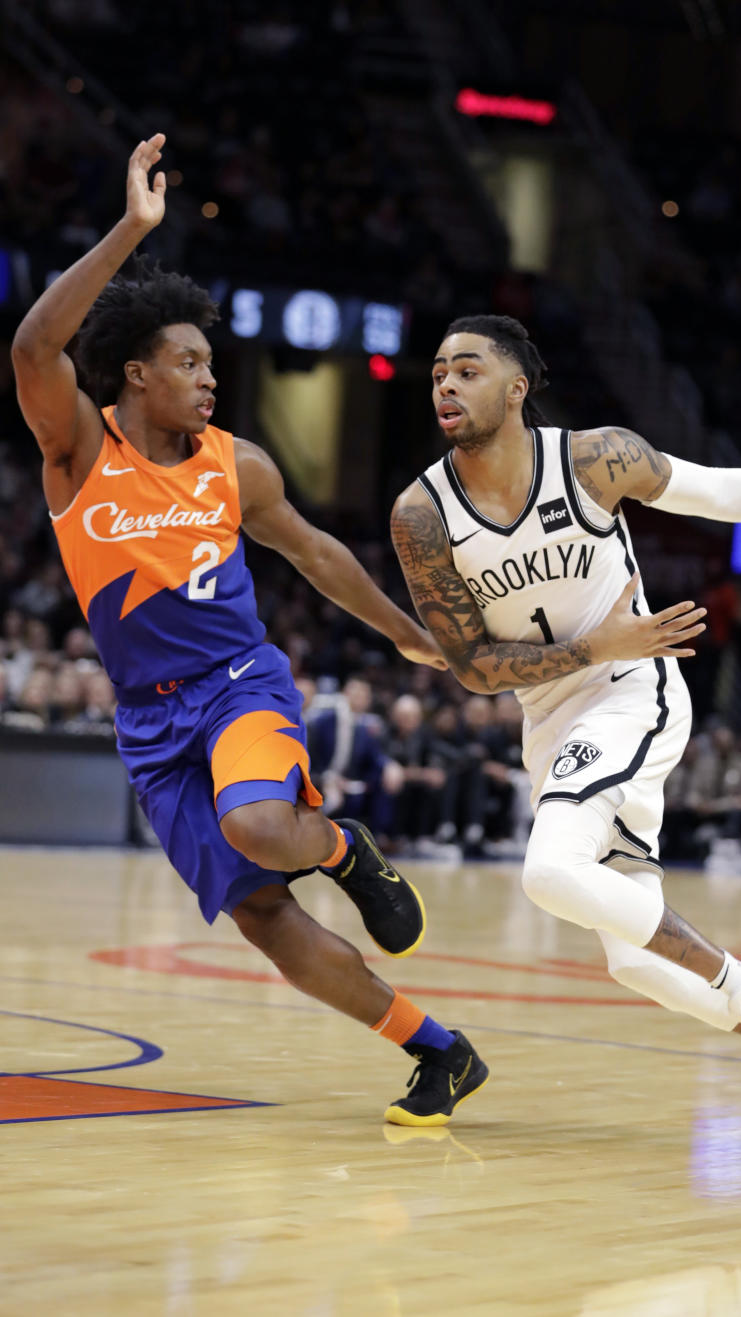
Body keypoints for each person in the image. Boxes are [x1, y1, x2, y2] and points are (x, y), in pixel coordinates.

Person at [11, 135, 488, 1129]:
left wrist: (407, 635)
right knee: (266, 920)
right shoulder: (79, 452)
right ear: (135, 374)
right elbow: (31, 348)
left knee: (262, 824)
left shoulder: (237, 465)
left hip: (239, 685)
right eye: (188, 362)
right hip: (150, 727)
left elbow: (316, 554)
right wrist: (132, 231)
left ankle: (347, 850)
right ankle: (438, 1050)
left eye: (210, 363)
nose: (207, 378)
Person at [391, 312, 741, 1159]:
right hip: (553, 719)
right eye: (437, 374)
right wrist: (593, 642)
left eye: (467, 370)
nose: (446, 385)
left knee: (549, 870)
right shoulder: (421, 513)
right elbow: (475, 668)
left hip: (636, 689)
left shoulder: (594, 458)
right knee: (637, 962)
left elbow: (714, 489)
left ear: (516, 387)